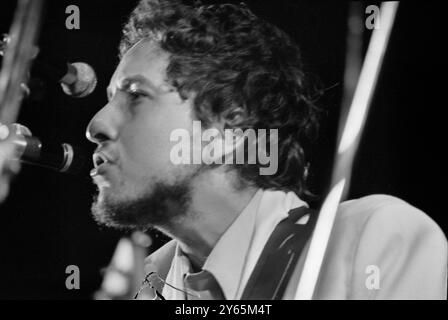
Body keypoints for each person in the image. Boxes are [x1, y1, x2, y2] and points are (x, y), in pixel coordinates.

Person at [83, 0, 447, 300]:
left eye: (135, 96)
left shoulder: (370, 240)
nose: (95, 126)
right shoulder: (145, 286)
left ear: (228, 128)